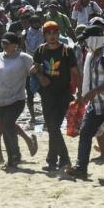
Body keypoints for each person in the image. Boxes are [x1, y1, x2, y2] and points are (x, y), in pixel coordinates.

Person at [66, 25, 104, 180]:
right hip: (96, 105)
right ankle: (81, 168)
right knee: (85, 133)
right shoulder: (93, 55)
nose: (84, 44)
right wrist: (84, 95)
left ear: (94, 39)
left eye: (86, 40)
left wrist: (91, 93)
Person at [32, 21, 81, 171]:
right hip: (47, 95)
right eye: (49, 33)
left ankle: (64, 159)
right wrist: (41, 77)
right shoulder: (40, 51)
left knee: (54, 126)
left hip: (64, 94)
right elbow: (34, 68)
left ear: (59, 33)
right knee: (52, 127)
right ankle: (52, 160)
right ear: (44, 35)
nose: (52, 36)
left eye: (55, 32)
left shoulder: (67, 51)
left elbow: (75, 72)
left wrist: (80, 92)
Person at [0, 32, 37, 169]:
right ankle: (12, 159)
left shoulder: (23, 58)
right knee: (5, 128)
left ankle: (15, 154)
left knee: (8, 124)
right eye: (3, 43)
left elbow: (34, 70)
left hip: (17, 99)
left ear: (15, 45)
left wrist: (36, 71)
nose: (4, 45)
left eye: (7, 43)